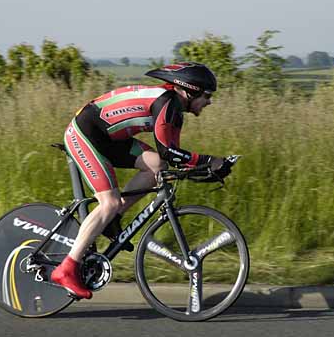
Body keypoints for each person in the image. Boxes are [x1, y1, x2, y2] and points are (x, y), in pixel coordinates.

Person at [51, 62, 231, 299]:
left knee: (156, 166)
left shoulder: (174, 107)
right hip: (86, 134)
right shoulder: (167, 104)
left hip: (110, 138)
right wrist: (210, 161)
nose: (210, 101)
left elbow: (169, 156)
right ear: (190, 90)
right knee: (109, 202)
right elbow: (170, 152)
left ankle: (110, 221)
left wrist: (205, 165)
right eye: (207, 95)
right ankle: (67, 268)